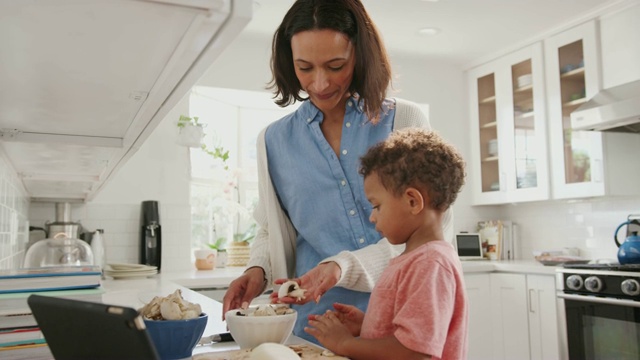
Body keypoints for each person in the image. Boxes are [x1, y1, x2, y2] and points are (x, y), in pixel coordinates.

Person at [221, 0, 453, 343]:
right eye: (304, 68)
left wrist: (342, 267)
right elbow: (273, 229)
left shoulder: (404, 122)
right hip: (314, 328)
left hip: (400, 327)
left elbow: (433, 231)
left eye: (335, 65)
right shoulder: (273, 141)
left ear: (360, 55)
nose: (320, 83)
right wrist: (259, 269)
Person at [305, 128, 468, 360]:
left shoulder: (430, 264)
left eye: (377, 206)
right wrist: (368, 325)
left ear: (412, 201)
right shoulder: (415, 259)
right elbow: (410, 334)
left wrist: (345, 344)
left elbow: (414, 352)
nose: (372, 217)